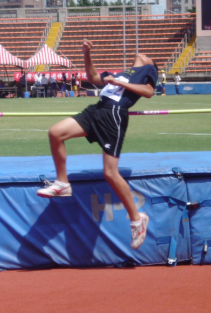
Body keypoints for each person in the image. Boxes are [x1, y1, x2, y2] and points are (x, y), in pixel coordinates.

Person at [37, 38, 158, 250]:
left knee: (110, 173)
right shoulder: (123, 72)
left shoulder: (148, 69)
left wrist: (119, 83)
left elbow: (149, 92)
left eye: (149, 55)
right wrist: (86, 53)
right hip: (96, 110)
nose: (143, 53)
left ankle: (137, 219)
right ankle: (63, 183)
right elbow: (93, 77)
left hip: (113, 115)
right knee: (55, 132)